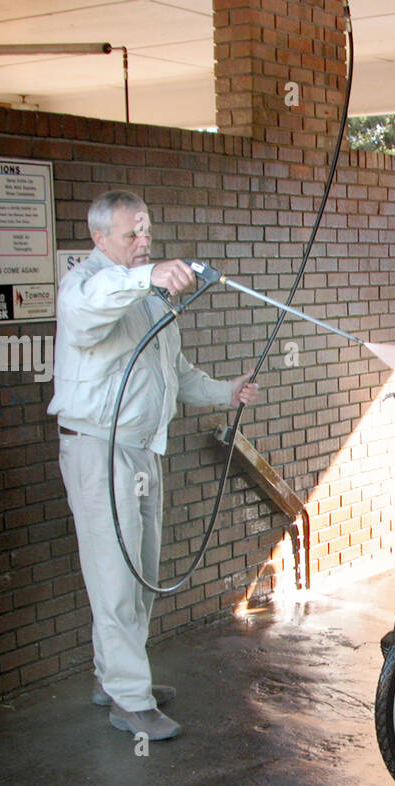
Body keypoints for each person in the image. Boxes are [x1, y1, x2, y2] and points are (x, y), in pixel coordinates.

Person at [50, 190, 259, 741]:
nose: (144, 243)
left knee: (137, 574)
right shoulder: (86, 286)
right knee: (114, 578)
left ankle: (113, 679)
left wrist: (225, 391)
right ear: (99, 239)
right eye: (131, 235)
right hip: (99, 448)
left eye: (146, 233)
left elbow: (177, 372)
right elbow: (90, 305)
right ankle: (129, 700)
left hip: (144, 448)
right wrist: (149, 276)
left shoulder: (147, 294)